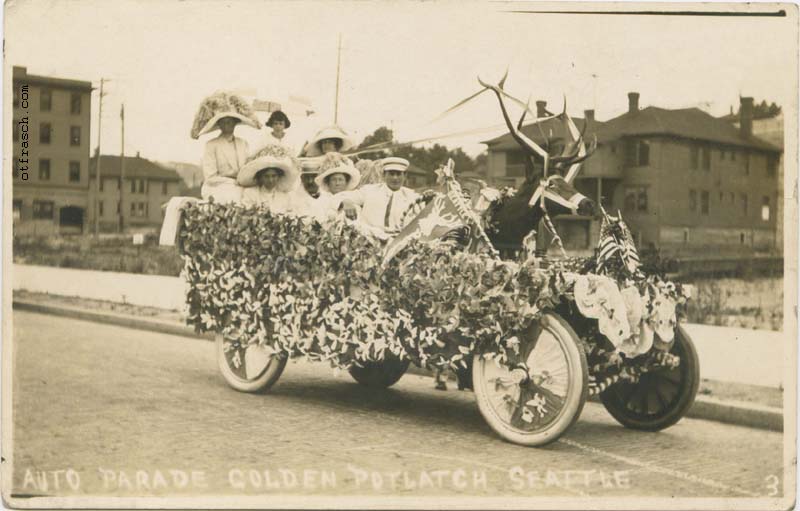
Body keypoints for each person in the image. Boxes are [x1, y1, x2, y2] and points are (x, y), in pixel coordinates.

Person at [191, 91, 261, 204]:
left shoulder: (243, 143)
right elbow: (211, 177)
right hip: (219, 188)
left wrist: (245, 180)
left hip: (242, 186)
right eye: (223, 122)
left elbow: (248, 169)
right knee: (231, 199)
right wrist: (234, 181)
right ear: (219, 125)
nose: (227, 124)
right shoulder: (211, 145)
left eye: (230, 121)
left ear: (235, 122)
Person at [338, 157, 419, 239]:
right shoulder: (370, 191)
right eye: (391, 174)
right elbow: (340, 196)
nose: (395, 178)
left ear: (405, 175)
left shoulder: (412, 196)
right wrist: (346, 201)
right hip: (369, 240)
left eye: (398, 174)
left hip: (398, 242)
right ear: (383, 175)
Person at [237, 144, 299, 213]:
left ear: (278, 177)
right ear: (260, 177)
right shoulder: (250, 193)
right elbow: (246, 214)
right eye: (266, 176)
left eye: (274, 176)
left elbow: (290, 216)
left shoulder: (285, 197)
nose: (270, 180)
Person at [311, 153, 361, 220]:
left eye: (340, 180)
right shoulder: (321, 200)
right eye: (334, 180)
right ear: (328, 183)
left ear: (346, 182)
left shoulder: (352, 198)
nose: (337, 183)